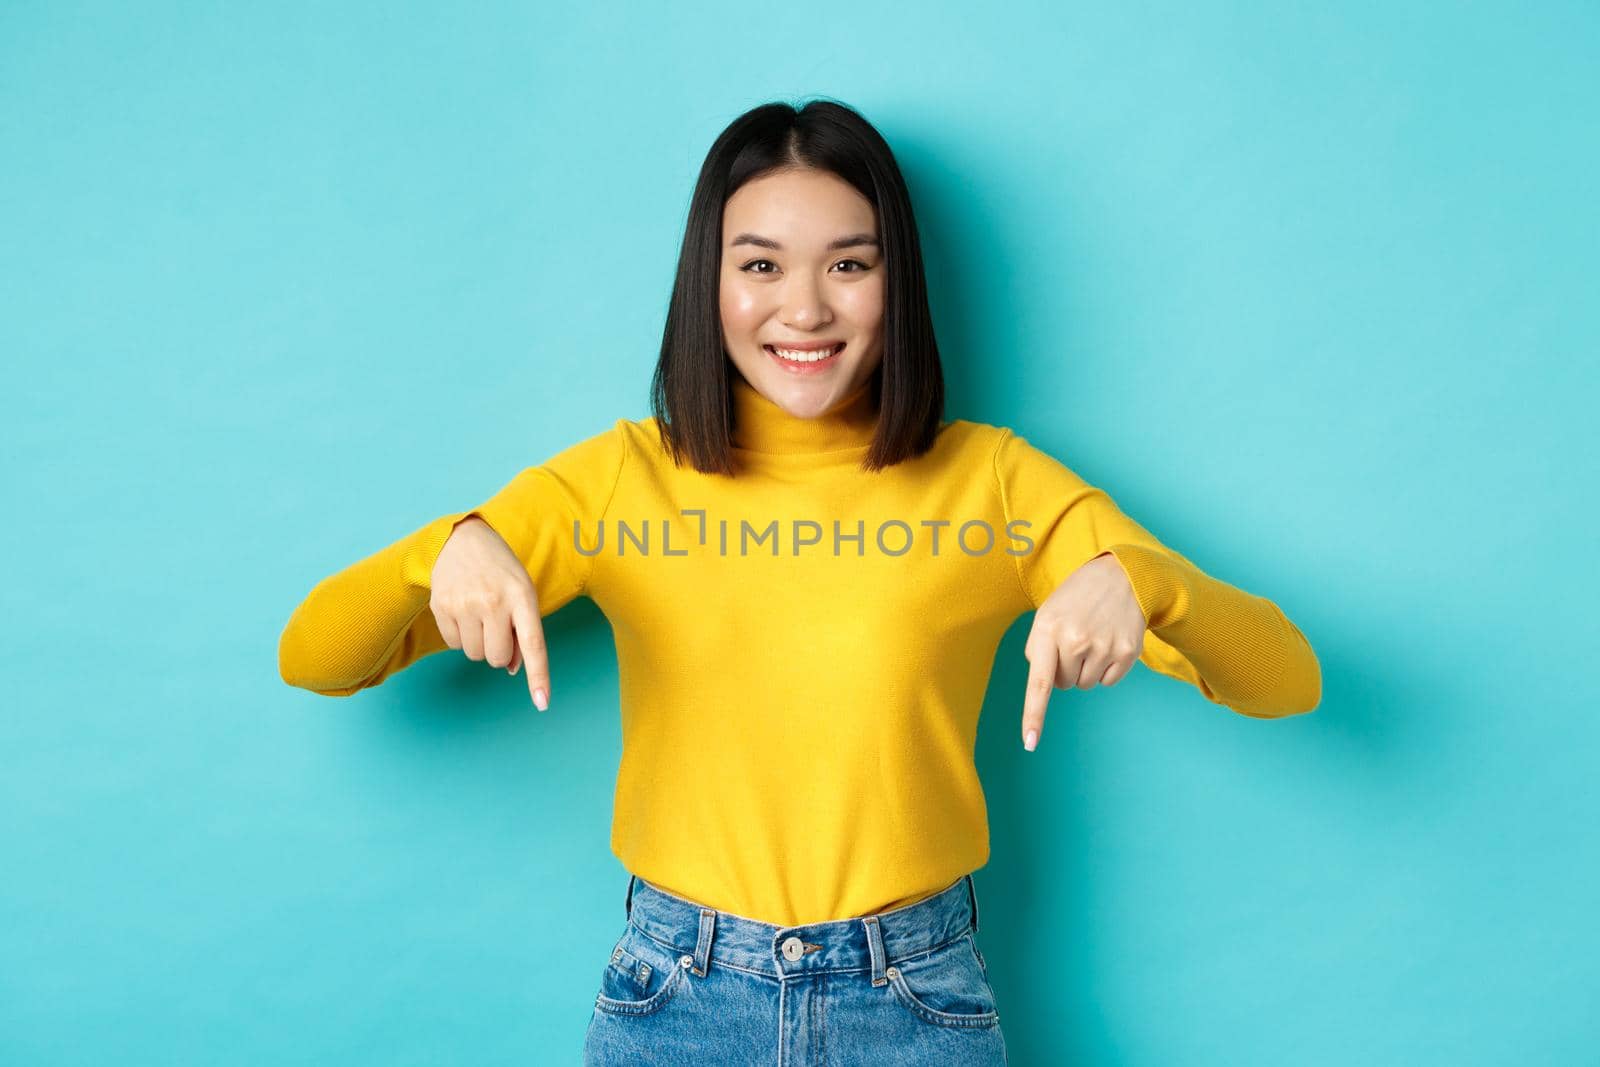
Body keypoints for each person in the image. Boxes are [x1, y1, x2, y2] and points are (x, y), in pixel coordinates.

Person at [278, 97, 1321, 1066]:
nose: (805, 309)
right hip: (676, 995)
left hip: (914, 997)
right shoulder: (618, 479)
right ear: (710, 281)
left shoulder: (992, 480)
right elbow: (316, 656)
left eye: (849, 264)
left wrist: (1137, 577)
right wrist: (445, 545)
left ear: (893, 281)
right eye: (762, 265)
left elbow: (1288, 677)